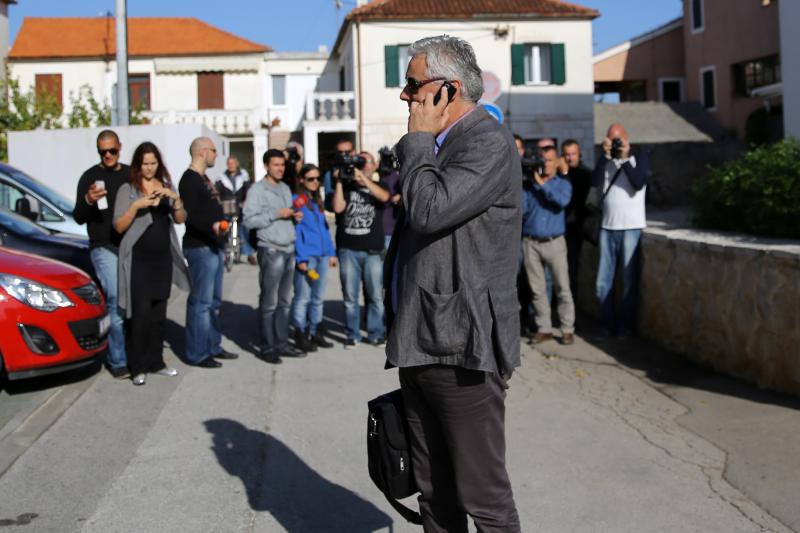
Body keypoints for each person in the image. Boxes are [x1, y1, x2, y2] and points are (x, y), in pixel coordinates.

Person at [385, 35, 521, 531]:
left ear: (448, 89)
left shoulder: (485, 140)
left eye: (414, 85)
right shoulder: (442, 145)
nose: (406, 96)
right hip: (422, 340)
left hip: (462, 345)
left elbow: (428, 211)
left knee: (482, 497)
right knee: (434, 494)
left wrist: (417, 142)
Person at [113, 142, 190, 386]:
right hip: (138, 260)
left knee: (159, 314)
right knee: (140, 314)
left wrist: (175, 200)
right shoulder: (129, 189)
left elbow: (180, 219)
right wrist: (136, 206)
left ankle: (156, 362)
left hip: (162, 259)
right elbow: (118, 226)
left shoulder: (165, 187)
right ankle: (137, 366)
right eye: (145, 164)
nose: (149, 168)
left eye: (153, 163)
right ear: (137, 165)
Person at [73, 130, 129, 378]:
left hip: (128, 246)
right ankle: (118, 360)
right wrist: (87, 199)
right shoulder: (90, 176)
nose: (107, 155)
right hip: (102, 246)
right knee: (116, 297)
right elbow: (78, 217)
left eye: (112, 151)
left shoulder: (130, 174)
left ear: (120, 147)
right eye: (102, 151)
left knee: (131, 301)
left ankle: (133, 353)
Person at [179, 137, 239, 369]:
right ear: (202, 152)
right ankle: (197, 352)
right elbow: (190, 215)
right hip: (199, 247)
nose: (216, 155)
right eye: (214, 151)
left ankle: (213, 345)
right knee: (201, 302)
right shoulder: (189, 179)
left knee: (213, 302)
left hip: (213, 246)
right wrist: (211, 226)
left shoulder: (204, 179)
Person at [243, 149, 306, 363]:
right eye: (276, 165)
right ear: (266, 166)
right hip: (270, 249)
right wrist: (277, 214)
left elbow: (286, 214)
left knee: (284, 302)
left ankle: (282, 343)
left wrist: (294, 217)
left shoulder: (285, 188)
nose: (280, 168)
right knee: (269, 302)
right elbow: (249, 220)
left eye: (282, 164)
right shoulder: (257, 190)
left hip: (288, 248)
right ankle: (267, 346)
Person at [593, 123, 649, 337]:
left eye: (618, 139)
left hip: (631, 227)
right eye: (611, 138)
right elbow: (595, 182)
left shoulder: (639, 156)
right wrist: (605, 156)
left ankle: (626, 327)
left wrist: (625, 158)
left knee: (628, 281)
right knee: (602, 281)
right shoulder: (605, 160)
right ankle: (606, 325)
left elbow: (638, 183)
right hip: (608, 226)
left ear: (626, 138)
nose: (615, 143)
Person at [331, 149, 390, 349]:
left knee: (375, 297)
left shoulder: (379, 185)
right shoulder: (346, 186)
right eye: (361, 162)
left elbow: (384, 197)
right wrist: (340, 180)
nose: (364, 165)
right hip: (348, 250)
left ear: (374, 166)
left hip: (373, 251)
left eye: (368, 162)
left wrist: (364, 181)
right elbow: (338, 208)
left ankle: (376, 334)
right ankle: (352, 334)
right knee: (350, 297)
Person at [521, 145, 575, 345]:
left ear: (557, 162)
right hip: (531, 242)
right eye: (543, 160)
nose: (546, 164)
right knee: (537, 289)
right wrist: (526, 185)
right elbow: (522, 210)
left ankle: (567, 328)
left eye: (550, 160)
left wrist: (542, 185)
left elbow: (562, 201)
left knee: (562, 287)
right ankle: (544, 328)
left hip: (555, 242)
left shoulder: (562, 183)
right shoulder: (529, 186)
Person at [290, 164, 337, 352]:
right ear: (302, 180)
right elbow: (296, 231)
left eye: (317, 179)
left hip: (322, 255)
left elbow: (324, 230)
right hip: (307, 256)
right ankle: (300, 332)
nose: (315, 182)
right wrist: (300, 257)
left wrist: (331, 253)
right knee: (303, 298)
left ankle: (316, 331)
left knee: (317, 298)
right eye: (310, 179)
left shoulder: (316, 200)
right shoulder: (297, 201)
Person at [561, 139, 592, 303]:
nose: (570, 158)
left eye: (573, 154)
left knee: (571, 272)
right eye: (567, 154)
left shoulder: (585, 174)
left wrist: (565, 175)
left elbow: (575, 199)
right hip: (559, 229)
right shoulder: (560, 173)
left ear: (579, 154)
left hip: (574, 230)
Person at [216, 155, 256, 265]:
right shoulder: (222, 177)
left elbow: (248, 190)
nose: (231, 165)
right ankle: (225, 253)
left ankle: (249, 253)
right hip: (227, 207)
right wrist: (219, 201)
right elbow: (217, 191)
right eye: (229, 163)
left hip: (240, 207)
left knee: (244, 229)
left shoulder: (243, 176)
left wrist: (246, 202)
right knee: (225, 228)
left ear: (237, 164)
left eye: (233, 163)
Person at [322, 138, 355, 212]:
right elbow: (329, 205)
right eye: (340, 152)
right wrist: (338, 181)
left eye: (348, 152)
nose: (344, 155)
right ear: (336, 153)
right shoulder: (330, 174)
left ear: (354, 152)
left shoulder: (361, 170)